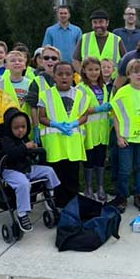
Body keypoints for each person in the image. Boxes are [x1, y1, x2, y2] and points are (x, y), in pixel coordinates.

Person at [0, 108, 61, 232]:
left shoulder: (24, 138)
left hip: (26, 168)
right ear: (9, 128)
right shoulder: (6, 140)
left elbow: (28, 155)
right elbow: (12, 153)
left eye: (23, 127)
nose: (20, 130)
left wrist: (33, 150)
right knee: (23, 184)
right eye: (16, 128)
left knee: (49, 171)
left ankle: (49, 194)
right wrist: (25, 147)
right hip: (11, 170)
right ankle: (22, 213)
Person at [38, 62, 89, 208]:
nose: (64, 77)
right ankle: (58, 204)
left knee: (72, 176)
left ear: (74, 76)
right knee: (57, 176)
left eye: (68, 74)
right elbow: (42, 117)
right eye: (60, 74)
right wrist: (55, 124)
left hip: (73, 144)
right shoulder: (45, 95)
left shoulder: (80, 94)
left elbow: (84, 115)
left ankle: (72, 206)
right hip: (55, 145)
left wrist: (75, 123)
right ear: (54, 76)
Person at [110, 59, 140, 213]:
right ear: (129, 74)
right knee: (124, 169)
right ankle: (122, 196)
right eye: (135, 72)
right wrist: (119, 136)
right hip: (126, 138)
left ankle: (139, 195)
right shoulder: (122, 92)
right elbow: (116, 115)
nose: (139, 75)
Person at [79, 57, 112, 202]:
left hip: (102, 129)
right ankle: (88, 187)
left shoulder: (103, 86)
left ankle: (100, 187)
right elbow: (80, 110)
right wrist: (97, 109)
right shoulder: (81, 88)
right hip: (89, 129)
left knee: (100, 159)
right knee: (89, 159)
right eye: (90, 70)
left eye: (96, 70)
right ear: (84, 71)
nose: (94, 73)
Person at [24, 45, 61, 142]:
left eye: (54, 58)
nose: (50, 60)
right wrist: (36, 128)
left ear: (59, 61)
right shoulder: (36, 82)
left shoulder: (67, 80)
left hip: (62, 127)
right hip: (44, 130)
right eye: (46, 58)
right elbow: (33, 107)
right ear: (42, 61)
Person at [0, 50, 32, 116]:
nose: (17, 63)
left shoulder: (32, 84)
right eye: (13, 61)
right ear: (6, 66)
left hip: (26, 122)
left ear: (25, 65)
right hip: (5, 122)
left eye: (20, 61)